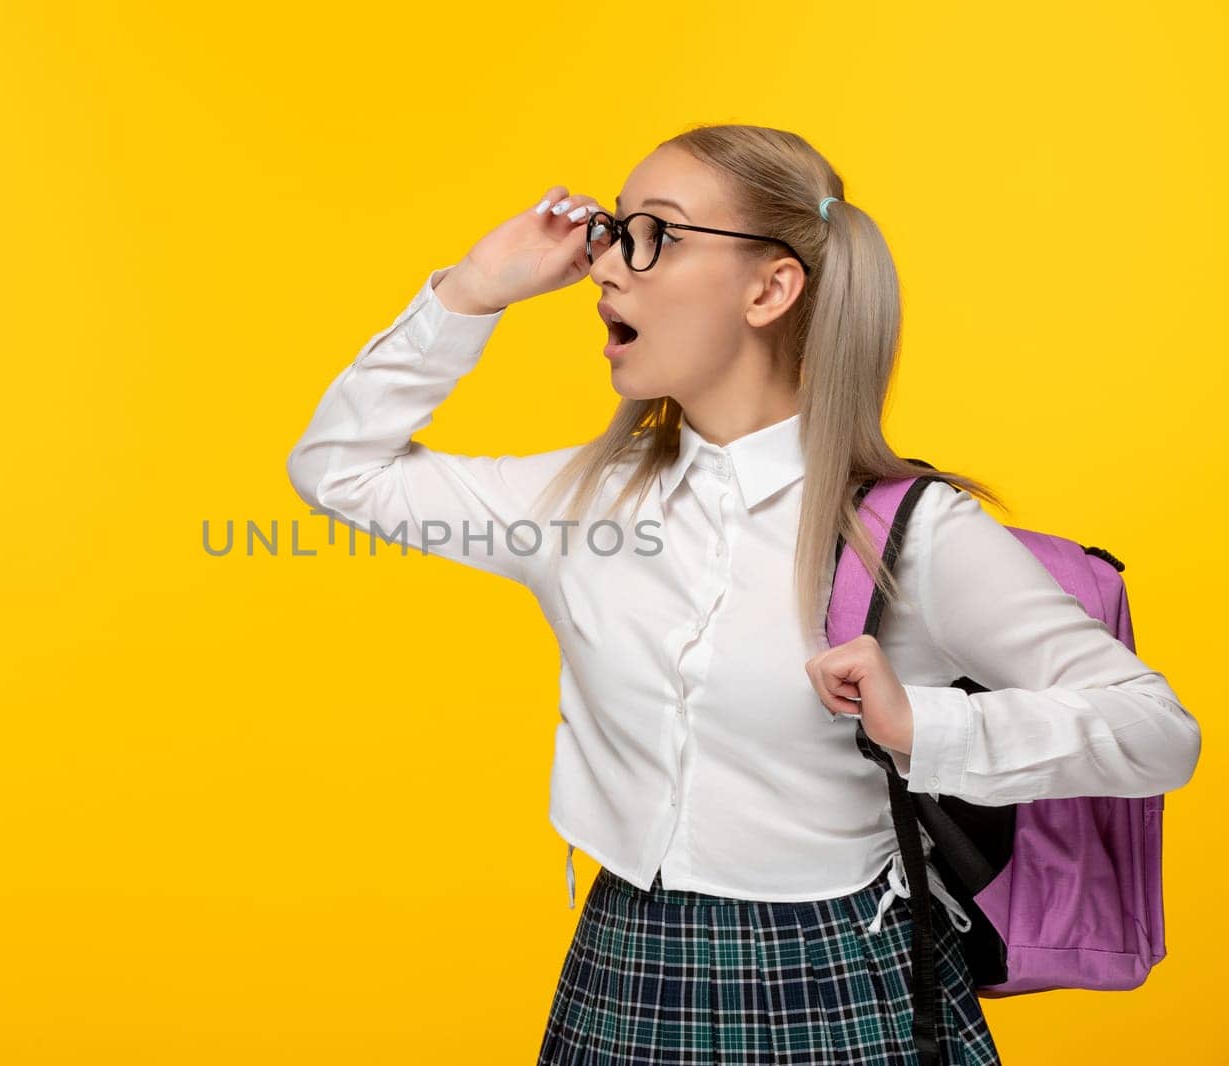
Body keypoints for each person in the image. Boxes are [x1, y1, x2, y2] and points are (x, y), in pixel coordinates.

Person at [285, 123, 1200, 1065]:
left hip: (846, 983)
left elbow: (1158, 731)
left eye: (657, 233)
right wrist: (470, 292)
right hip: (623, 968)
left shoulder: (911, 534)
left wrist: (924, 727)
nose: (605, 266)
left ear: (771, 288)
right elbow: (339, 470)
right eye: (612, 230)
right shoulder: (582, 504)